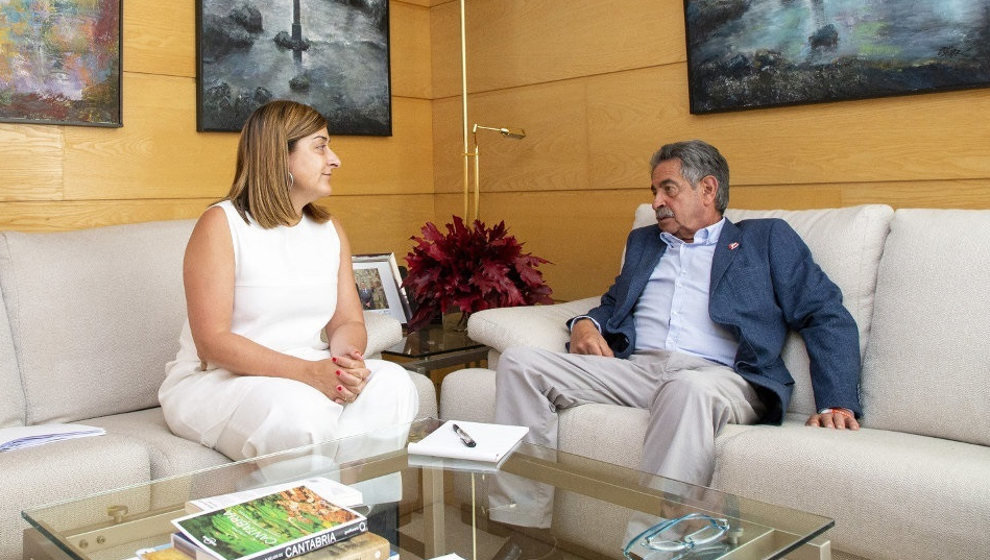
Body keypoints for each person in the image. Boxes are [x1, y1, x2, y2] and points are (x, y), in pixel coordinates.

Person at [488, 139, 862, 530]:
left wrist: (836, 402)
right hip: (641, 372)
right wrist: (586, 323)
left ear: (708, 189)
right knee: (520, 361)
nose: (656, 202)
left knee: (686, 388)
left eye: (669, 188)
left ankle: (652, 548)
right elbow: (614, 302)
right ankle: (520, 525)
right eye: (654, 191)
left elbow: (825, 313)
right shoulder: (645, 243)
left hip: (720, 379)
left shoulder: (766, 239)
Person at [159, 100, 419, 461]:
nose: (335, 159)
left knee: (393, 384)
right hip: (219, 380)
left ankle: (357, 505)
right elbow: (212, 343)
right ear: (280, 156)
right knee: (300, 413)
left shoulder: (330, 231)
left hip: (307, 368)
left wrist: (347, 364)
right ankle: (316, 510)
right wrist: (310, 374)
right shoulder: (222, 224)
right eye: (320, 145)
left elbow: (347, 321)